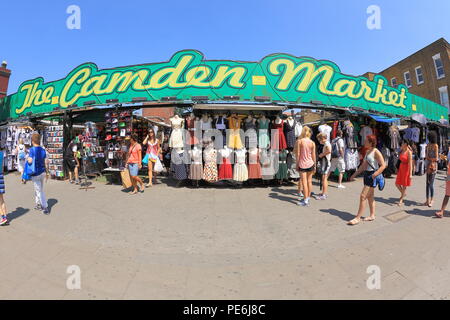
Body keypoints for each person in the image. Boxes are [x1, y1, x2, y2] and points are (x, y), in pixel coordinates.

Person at [348, 135, 386, 225]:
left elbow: (383, 165)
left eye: (366, 141)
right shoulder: (368, 151)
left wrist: (375, 175)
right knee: (370, 197)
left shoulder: (376, 151)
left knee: (363, 196)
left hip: (372, 176)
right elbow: (363, 166)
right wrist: (354, 175)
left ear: (371, 142)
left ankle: (357, 218)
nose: (364, 142)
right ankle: (372, 215)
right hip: (367, 175)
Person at [28, 133, 50, 214]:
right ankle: (38, 204)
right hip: (42, 172)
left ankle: (45, 207)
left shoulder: (32, 150)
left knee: (39, 190)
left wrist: (27, 158)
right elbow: (46, 162)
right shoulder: (43, 150)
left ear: (33, 140)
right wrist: (47, 172)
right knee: (38, 189)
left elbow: (30, 161)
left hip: (35, 172)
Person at [295, 126, 316, 206]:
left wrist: (297, 164)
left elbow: (298, 154)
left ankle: (305, 200)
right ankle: (308, 198)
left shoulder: (300, 141)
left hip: (302, 164)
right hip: (310, 163)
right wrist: (315, 166)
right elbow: (313, 155)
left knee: (304, 182)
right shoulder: (312, 142)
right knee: (309, 181)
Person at [395, 140, 413, 206]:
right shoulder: (402, 150)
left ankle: (401, 199)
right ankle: (403, 193)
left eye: (402, 143)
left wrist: (410, 174)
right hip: (401, 167)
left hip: (406, 168)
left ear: (405, 144)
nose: (401, 144)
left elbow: (410, 164)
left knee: (404, 185)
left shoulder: (409, 152)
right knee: (397, 183)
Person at [314, 132, 331, 200]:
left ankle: (324, 194)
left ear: (323, 138)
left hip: (326, 162)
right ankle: (324, 192)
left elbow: (329, 151)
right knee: (324, 178)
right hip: (325, 162)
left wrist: (321, 155)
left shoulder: (327, 143)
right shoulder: (326, 143)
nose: (319, 141)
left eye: (319, 139)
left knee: (324, 179)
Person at [424, 131, 439, 207]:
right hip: (429, 165)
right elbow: (428, 156)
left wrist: (429, 158)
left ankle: (432, 199)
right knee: (427, 184)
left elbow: (436, 158)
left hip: (433, 166)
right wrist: (429, 158)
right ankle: (427, 200)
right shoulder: (428, 145)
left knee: (430, 184)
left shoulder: (435, 146)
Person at [0, 148, 8, 225]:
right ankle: (5, 216)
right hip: (1, 176)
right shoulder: (1, 153)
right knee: (1, 199)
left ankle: (3, 217)